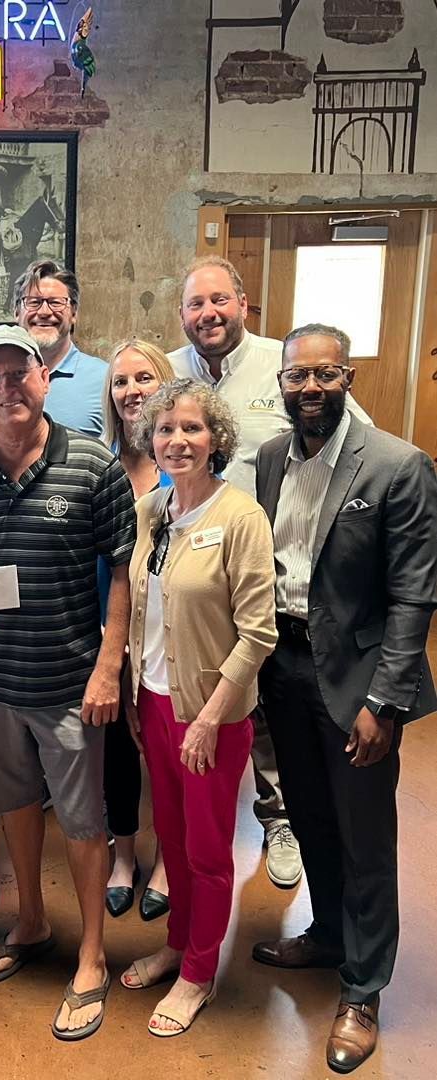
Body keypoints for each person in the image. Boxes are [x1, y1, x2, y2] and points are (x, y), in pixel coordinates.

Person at [0, 324, 135, 1041]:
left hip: (71, 685)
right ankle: (32, 921)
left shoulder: (92, 464)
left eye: (20, 374)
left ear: (45, 380)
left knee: (85, 824)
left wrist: (108, 668)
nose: (7, 388)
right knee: (14, 806)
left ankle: (93, 955)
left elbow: (123, 573)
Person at [253, 324, 437, 1074]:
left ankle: (362, 989)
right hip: (284, 669)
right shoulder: (270, 458)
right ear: (281, 383)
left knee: (365, 838)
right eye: (297, 376)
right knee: (310, 816)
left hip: (359, 679)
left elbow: (413, 596)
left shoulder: (397, 465)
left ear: (348, 379)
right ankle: (328, 934)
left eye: (324, 375)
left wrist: (385, 703)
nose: (309, 388)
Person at [166, 254, 368, 886]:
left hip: (269, 573)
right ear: (182, 314)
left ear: (243, 304)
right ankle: (188, 834)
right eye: (196, 304)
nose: (208, 314)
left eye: (219, 300)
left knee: (265, 709)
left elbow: (361, 449)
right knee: (207, 700)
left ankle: (277, 818)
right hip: (193, 575)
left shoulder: (286, 369)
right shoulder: (169, 371)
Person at [120, 377, 277, 1038]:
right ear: (149, 440)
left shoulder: (239, 516)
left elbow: (258, 632)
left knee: (209, 851)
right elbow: (140, 608)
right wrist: (135, 693)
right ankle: (177, 945)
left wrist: (210, 719)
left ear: (216, 439)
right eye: (165, 429)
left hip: (211, 715)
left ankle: (199, 973)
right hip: (154, 703)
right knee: (173, 840)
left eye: (192, 428)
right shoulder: (150, 510)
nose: (177, 440)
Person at [99, 338, 174, 921]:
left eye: (143, 378)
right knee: (117, 753)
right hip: (108, 631)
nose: (132, 391)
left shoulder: (186, 458)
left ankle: (169, 860)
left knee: (169, 755)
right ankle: (123, 856)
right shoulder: (97, 465)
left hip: (173, 636)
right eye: (121, 381)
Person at [13, 259, 107, 437]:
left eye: (56, 302)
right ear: (17, 312)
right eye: (34, 302)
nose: (44, 312)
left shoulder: (105, 379)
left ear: (74, 313)